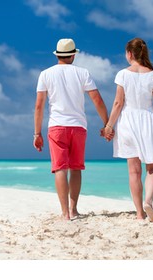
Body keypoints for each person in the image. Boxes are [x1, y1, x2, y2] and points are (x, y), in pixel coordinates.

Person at [33, 38, 110, 221]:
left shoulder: (45, 74)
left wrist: (37, 133)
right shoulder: (83, 73)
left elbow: (39, 106)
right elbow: (97, 100)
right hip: (78, 127)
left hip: (57, 127)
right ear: (73, 55)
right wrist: (107, 124)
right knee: (76, 168)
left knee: (60, 169)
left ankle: (65, 213)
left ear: (58, 54)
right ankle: (74, 209)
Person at [102, 38, 153, 222]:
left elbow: (118, 103)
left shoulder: (123, 74)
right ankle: (149, 201)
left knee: (134, 171)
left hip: (128, 122)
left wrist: (108, 126)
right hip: (149, 119)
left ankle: (139, 214)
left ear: (129, 54)